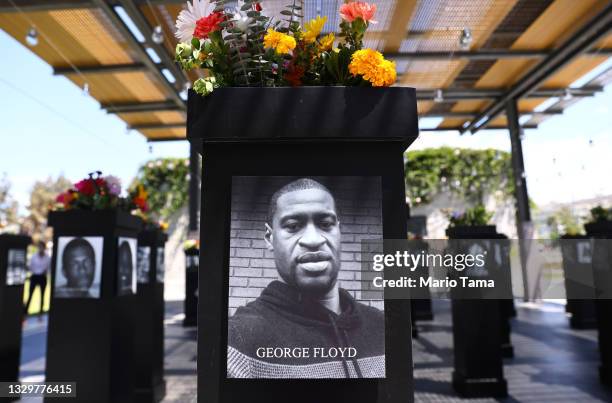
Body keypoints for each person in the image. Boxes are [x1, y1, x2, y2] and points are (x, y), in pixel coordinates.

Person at [227, 178, 385, 378]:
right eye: (293, 226)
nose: (313, 240)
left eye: (326, 224)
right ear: (269, 237)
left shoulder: (382, 326)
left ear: (339, 230)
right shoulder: (239, 342)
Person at [24, 241, 49, 318]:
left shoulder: (47, 257)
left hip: (42, 277)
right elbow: (31, 267)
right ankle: (25, 312)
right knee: (30, 294)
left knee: (42, 295)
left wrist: (44, 272)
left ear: (44, 248)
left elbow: (48, 268)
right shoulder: (34, 256)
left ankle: (40, 312)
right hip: (34, 277)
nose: (40, 248)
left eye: (42, 247)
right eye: (39, 247)